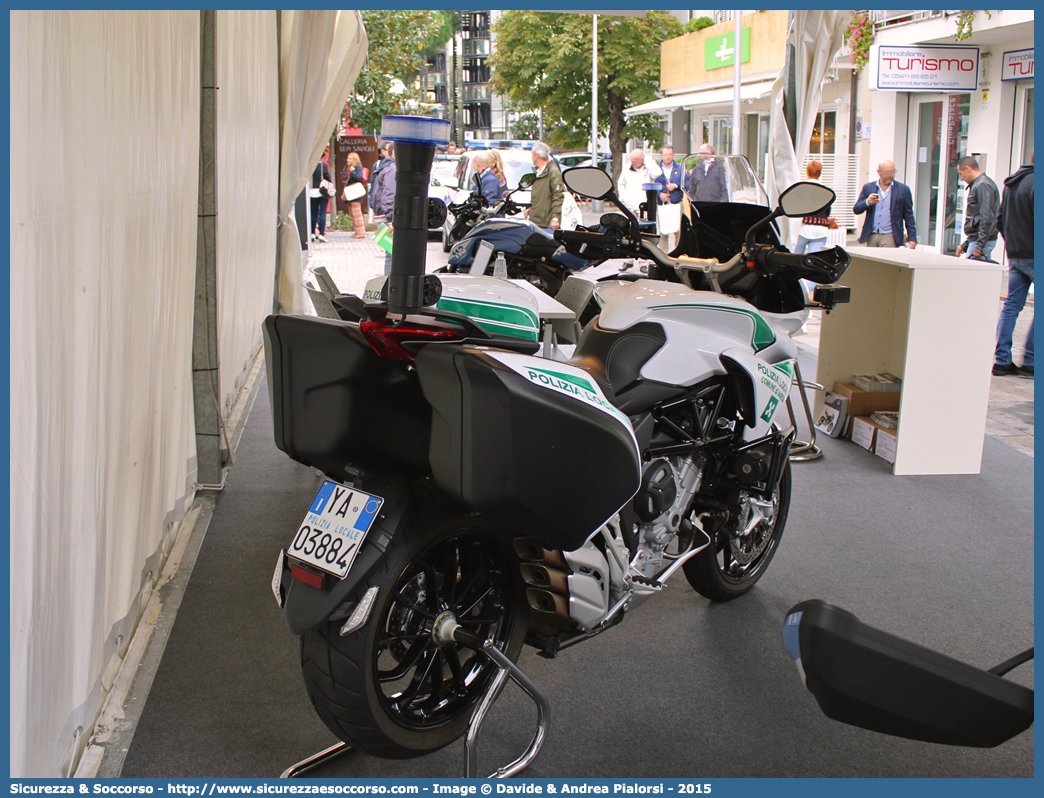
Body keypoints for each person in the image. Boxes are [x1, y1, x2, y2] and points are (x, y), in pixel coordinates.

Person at [992, 154, 1034, 376]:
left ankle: (1002, 360)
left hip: (1015, 253)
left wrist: (1013, 242)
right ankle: (1031, 361)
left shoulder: (1013, 182)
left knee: (1012, 305)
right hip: (1034, 254)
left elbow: (1000, 220)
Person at [853, 160, 918, 248]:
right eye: (887, 172)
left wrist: (912, 238)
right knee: (872, 261)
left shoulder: (903, 190)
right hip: (872, 234)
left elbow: (909, 215)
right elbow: (856, 209)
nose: (891, 174)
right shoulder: (868, 187)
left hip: (890, 235)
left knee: (887, 259)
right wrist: (867, 202)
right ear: (879, 172)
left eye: (893, 171)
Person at [955, 156, 1000, 260]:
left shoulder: (983, 185)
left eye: (961, 174)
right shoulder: (979, 184)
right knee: (981, 274)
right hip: (980, 240)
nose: (961, 178)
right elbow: (978, 219)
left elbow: (986, 216)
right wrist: (966, 244)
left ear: (967, 169)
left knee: (971, 274)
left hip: (981, 241)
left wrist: (979, 245)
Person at [795, 161, 836, 254]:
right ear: (820, 173)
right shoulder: (826, 191)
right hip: (820, 230)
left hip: (802, 229)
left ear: (807, 172)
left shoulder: (802, 189)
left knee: (794, 260)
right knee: (815, 261)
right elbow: (827, 211)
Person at [369, 141, 396, 275]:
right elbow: (389, 195)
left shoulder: (385, 167)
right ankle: (390, 287)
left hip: (384, 215)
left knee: (391, 255)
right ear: (394, 152)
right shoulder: (392, 169)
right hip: (388, 217)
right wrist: (391, 219)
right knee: (392, 256)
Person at [526, 141, 564, 231]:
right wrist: (531, 210)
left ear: (537, 155)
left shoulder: (553, 172)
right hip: (535, 220)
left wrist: (555, 218)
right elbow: (540, 197)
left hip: (545, 223)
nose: (531, 157)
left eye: (532, 154)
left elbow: (558, 196)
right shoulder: (538, 172)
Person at [656, 145, 687, 251]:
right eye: (665, 154)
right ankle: (664, 257)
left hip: (676, 203)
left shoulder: (680, 168)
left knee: (678, 231)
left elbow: (687, 182)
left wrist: (676, 185)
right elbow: (651, 184)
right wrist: (660, 194)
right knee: (662, 232)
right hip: (662, 204)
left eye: (670, 154)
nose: (668, 157)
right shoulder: (656, 170)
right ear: (661, 155)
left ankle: (677, 255)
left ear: (673, 155)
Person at [617, 148, 655, 216]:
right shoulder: (627, 168)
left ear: (642, 160)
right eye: (631, 161)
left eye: (634, 161)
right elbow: (621, 183)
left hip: (644, 207)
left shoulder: (649, 169)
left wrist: (648, 161)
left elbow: (657, 173)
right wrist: (623, 197)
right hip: (630, 207)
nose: (632, 163)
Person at [343, 152, 367, 239]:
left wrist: (353, 171)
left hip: (355, 193)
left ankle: (361, 232)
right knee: (352, 213)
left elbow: (359, 178)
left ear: (355, 160)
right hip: (350, 193)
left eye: (350, 158)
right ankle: (357, 231)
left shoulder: (357, 168)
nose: (347, 160)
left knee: (357, 212)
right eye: (347, 158)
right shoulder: (349, 168)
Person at [309, 158, 332, 243]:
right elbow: (327, 177)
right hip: (322, 192)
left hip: (311, 191)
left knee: (313, 213)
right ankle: (321, 234)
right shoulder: (323, 165)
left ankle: (312, 233)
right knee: (322, 213)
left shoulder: (309, 165)